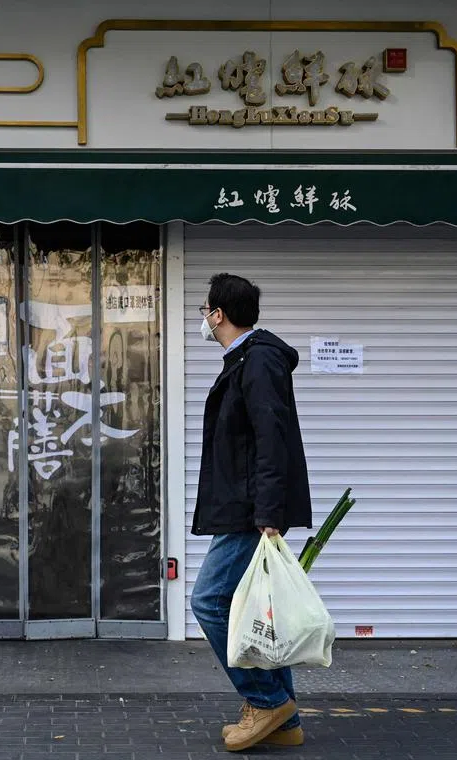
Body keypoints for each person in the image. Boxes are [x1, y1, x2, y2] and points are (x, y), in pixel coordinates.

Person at [189, 273, 313, 752]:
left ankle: (264, 701)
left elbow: (270, 438)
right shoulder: (247, 359)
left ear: (219, 314)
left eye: (205, 309)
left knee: (211, 602)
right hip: (245, 506)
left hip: (250, 511)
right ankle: (284, 721)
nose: (203, 316)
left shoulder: (257, 360)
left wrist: (267, 511)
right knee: (257, 610)